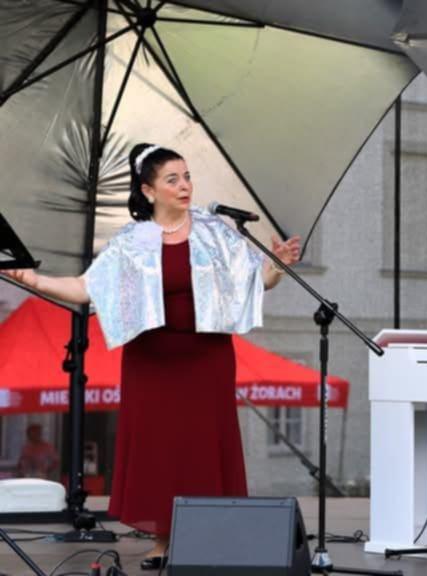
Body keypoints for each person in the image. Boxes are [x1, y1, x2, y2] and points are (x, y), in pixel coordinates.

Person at [3, 143, 301, 570]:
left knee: (204, 446)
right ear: (148, 190)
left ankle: (211, 536)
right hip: (151, 363)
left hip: (206, 358)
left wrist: (279, 265)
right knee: (160, 450)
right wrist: (33, 280)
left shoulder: (215, 231)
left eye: (187, 176)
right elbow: (86, 288)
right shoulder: (132, 241)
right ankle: (163, 537)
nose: (185, 186)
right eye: (172, 179)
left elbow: (257, 280)